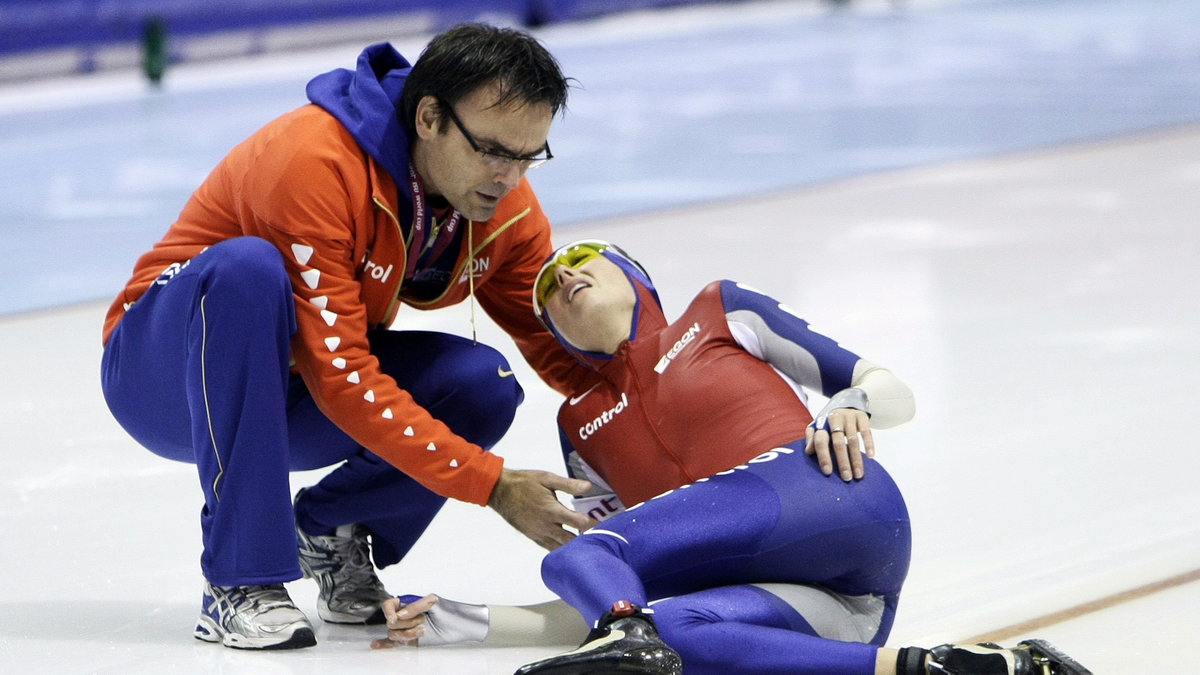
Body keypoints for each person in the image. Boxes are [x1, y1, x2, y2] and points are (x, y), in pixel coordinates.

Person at [371, 241, 1092, 675]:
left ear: (635, 274)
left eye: (581, 259)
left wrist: (852, 405)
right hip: (850, 608)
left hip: (831, 493)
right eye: (547, 292)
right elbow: (626, 602)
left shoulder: (715, 313)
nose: (562, 278)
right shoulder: (581, 423)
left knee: (580, 557)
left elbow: (888, 387)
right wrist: (466, 621)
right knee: (676, 634)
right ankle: (955, 666)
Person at [98, 24, 597, 651]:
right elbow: (341, 373)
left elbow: (568, 353)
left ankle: (334, 530)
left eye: (529, 155)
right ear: (429, 117)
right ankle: (240, 582)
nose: (509, 177)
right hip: (161, 377)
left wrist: (665, 437)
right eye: (494, 151)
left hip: (290, 388)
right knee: (247, 270)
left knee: (481, 385)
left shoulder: (503, 208)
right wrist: (492, 485)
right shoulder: (314, 161)